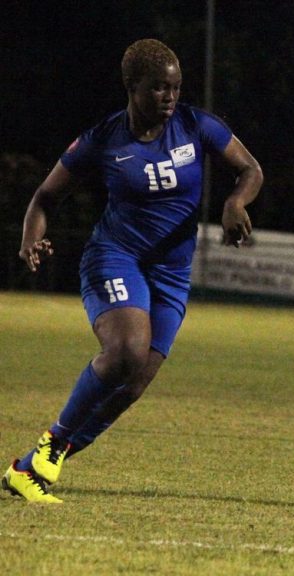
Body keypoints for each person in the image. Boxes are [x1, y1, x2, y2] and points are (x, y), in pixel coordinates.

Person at [2, 39, 263, 503]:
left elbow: (250, 169)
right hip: (115, 257)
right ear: (131, 87)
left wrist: (235, 201)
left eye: (176, 87)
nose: (169, 97)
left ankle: (31, 468)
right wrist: (30, 236)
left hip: (171, 274)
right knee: (127, 349)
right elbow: (45, 197)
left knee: (133, 383)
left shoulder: (195, 125)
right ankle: (51, 442)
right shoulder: (103, 139)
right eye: (158, 88)